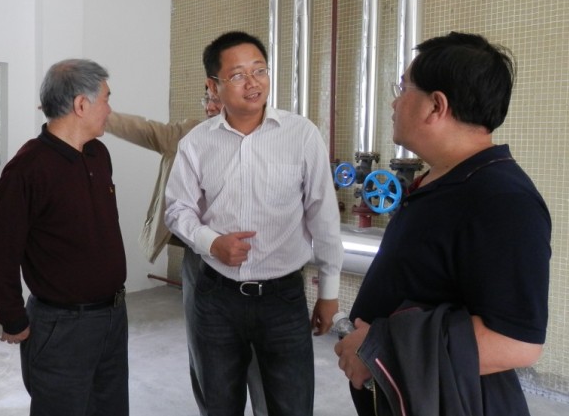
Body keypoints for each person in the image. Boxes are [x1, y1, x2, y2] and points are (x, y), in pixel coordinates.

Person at [335, 32, 551, 416]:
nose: (394, 101)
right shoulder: (445, 179)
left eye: (403, 89)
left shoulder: (502, 200)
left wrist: (379, 350)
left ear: (436, 105)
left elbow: (516, 342)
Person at [165, 31, 344, 416]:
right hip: (216, 297)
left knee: (292, 406)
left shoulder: (301, 135)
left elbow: (324, 216)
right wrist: (211, 242)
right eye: (238, 75)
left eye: (259, 70)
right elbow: (177, 209)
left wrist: (329, 292)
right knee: (219, 405)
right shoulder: (196, 143)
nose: (253, 83)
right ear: (213, 85)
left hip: (283, 298)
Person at [104, 89, 268, 416]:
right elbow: (147, 130)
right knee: (207, 354)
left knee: (263, 357)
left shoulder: (272, 139)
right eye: (207, 98)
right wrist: (100, 116)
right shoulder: (189, 134)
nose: (210, 106)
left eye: (219, 99)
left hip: (256, 260)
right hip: (202, 260)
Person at [0, 58, 129, 416]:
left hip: (112, 315)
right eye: (106, 99)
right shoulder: (28, 168)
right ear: (81, 104)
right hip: (62, 326)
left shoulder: (98, 153)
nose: (110, 109)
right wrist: (12, 317)